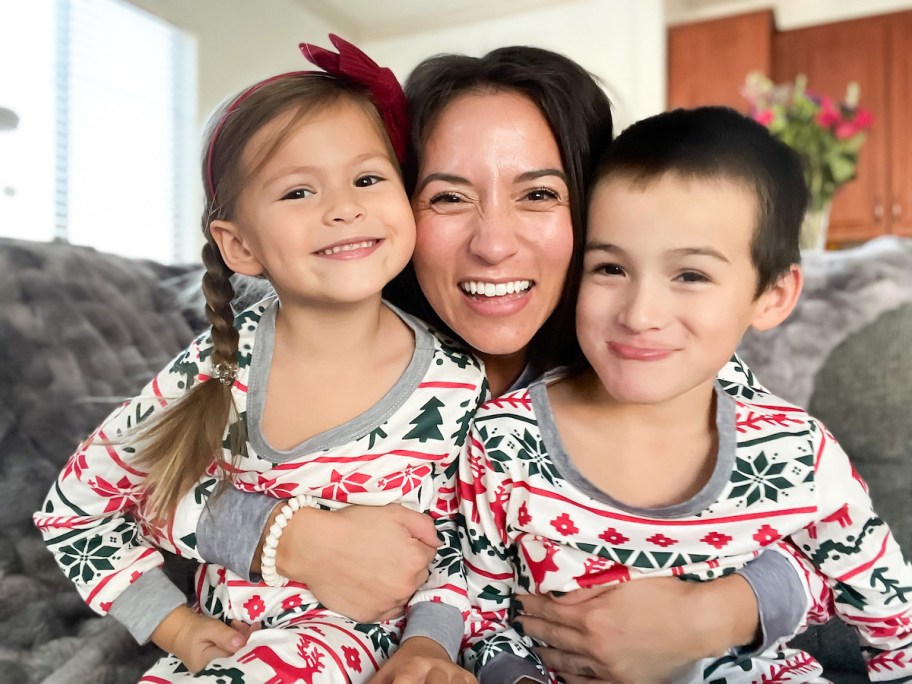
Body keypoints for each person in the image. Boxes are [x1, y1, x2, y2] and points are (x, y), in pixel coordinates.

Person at [147, 47, 818, 680]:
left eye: (538, 195)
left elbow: (822, 535)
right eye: (447, 197)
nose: (493, 245)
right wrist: (288, 538)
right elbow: (146, 476)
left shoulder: (651, 353)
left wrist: (714, 614)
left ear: (592, 209)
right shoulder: (350, 354)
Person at [34, 35, 484, 683]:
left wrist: (430, 645)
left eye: (366, 177)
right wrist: (176, 625)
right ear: (240, 245)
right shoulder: (217, 367)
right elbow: (76, 507)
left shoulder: (454, 381)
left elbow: (460, 546)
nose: (344, 207)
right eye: (299, 192)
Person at [457, 105, 912, 683]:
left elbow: (895, 623)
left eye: (690, 275)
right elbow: (478, 615)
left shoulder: (799, 453)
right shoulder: (502, 442)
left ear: (772, 296)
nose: (640, 314)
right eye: (609, 269)